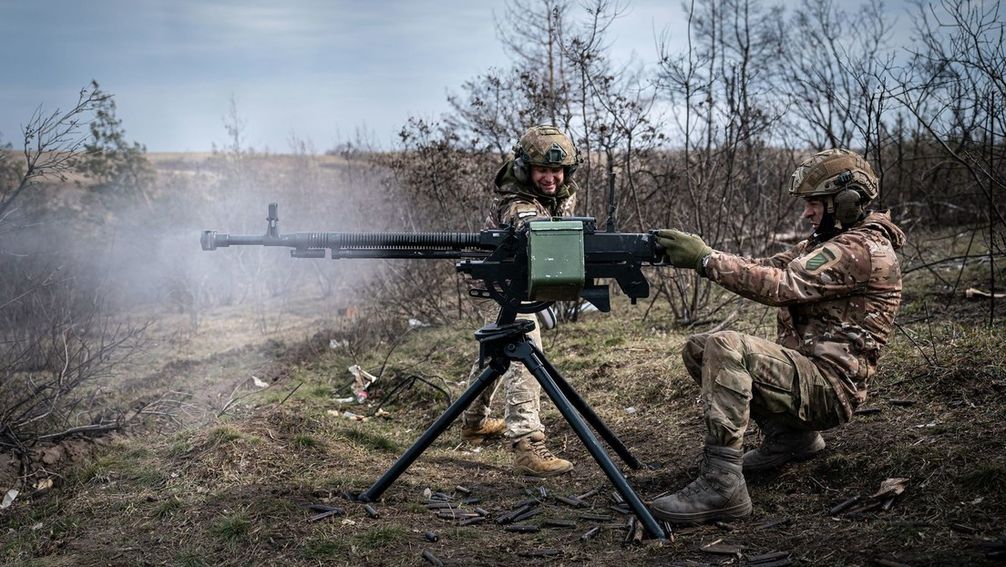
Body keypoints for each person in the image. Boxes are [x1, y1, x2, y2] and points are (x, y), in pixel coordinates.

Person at [649, 149, 906, 523]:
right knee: (700, 348)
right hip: (809, 378)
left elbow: (781, 285)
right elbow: (766, 267)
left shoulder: (861, 249)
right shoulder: (825, 244)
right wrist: (700, 253)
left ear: (846, 202)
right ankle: (792, 440)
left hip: (830, 391)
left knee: (726, 345)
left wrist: (705, 260)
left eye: (814, 204)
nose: (806, 213)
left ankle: (722, 486)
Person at [459, 124, 581, 477]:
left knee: (497, 349)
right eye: (543, 170)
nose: (550, 178)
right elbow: (530, 227)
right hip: (500, 283)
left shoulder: (559, 192)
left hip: (519, 281)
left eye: (557, 171)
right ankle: (527, 443)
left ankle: (472, 422)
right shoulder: (518, 202)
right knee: (525, 353)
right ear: (526, 169)